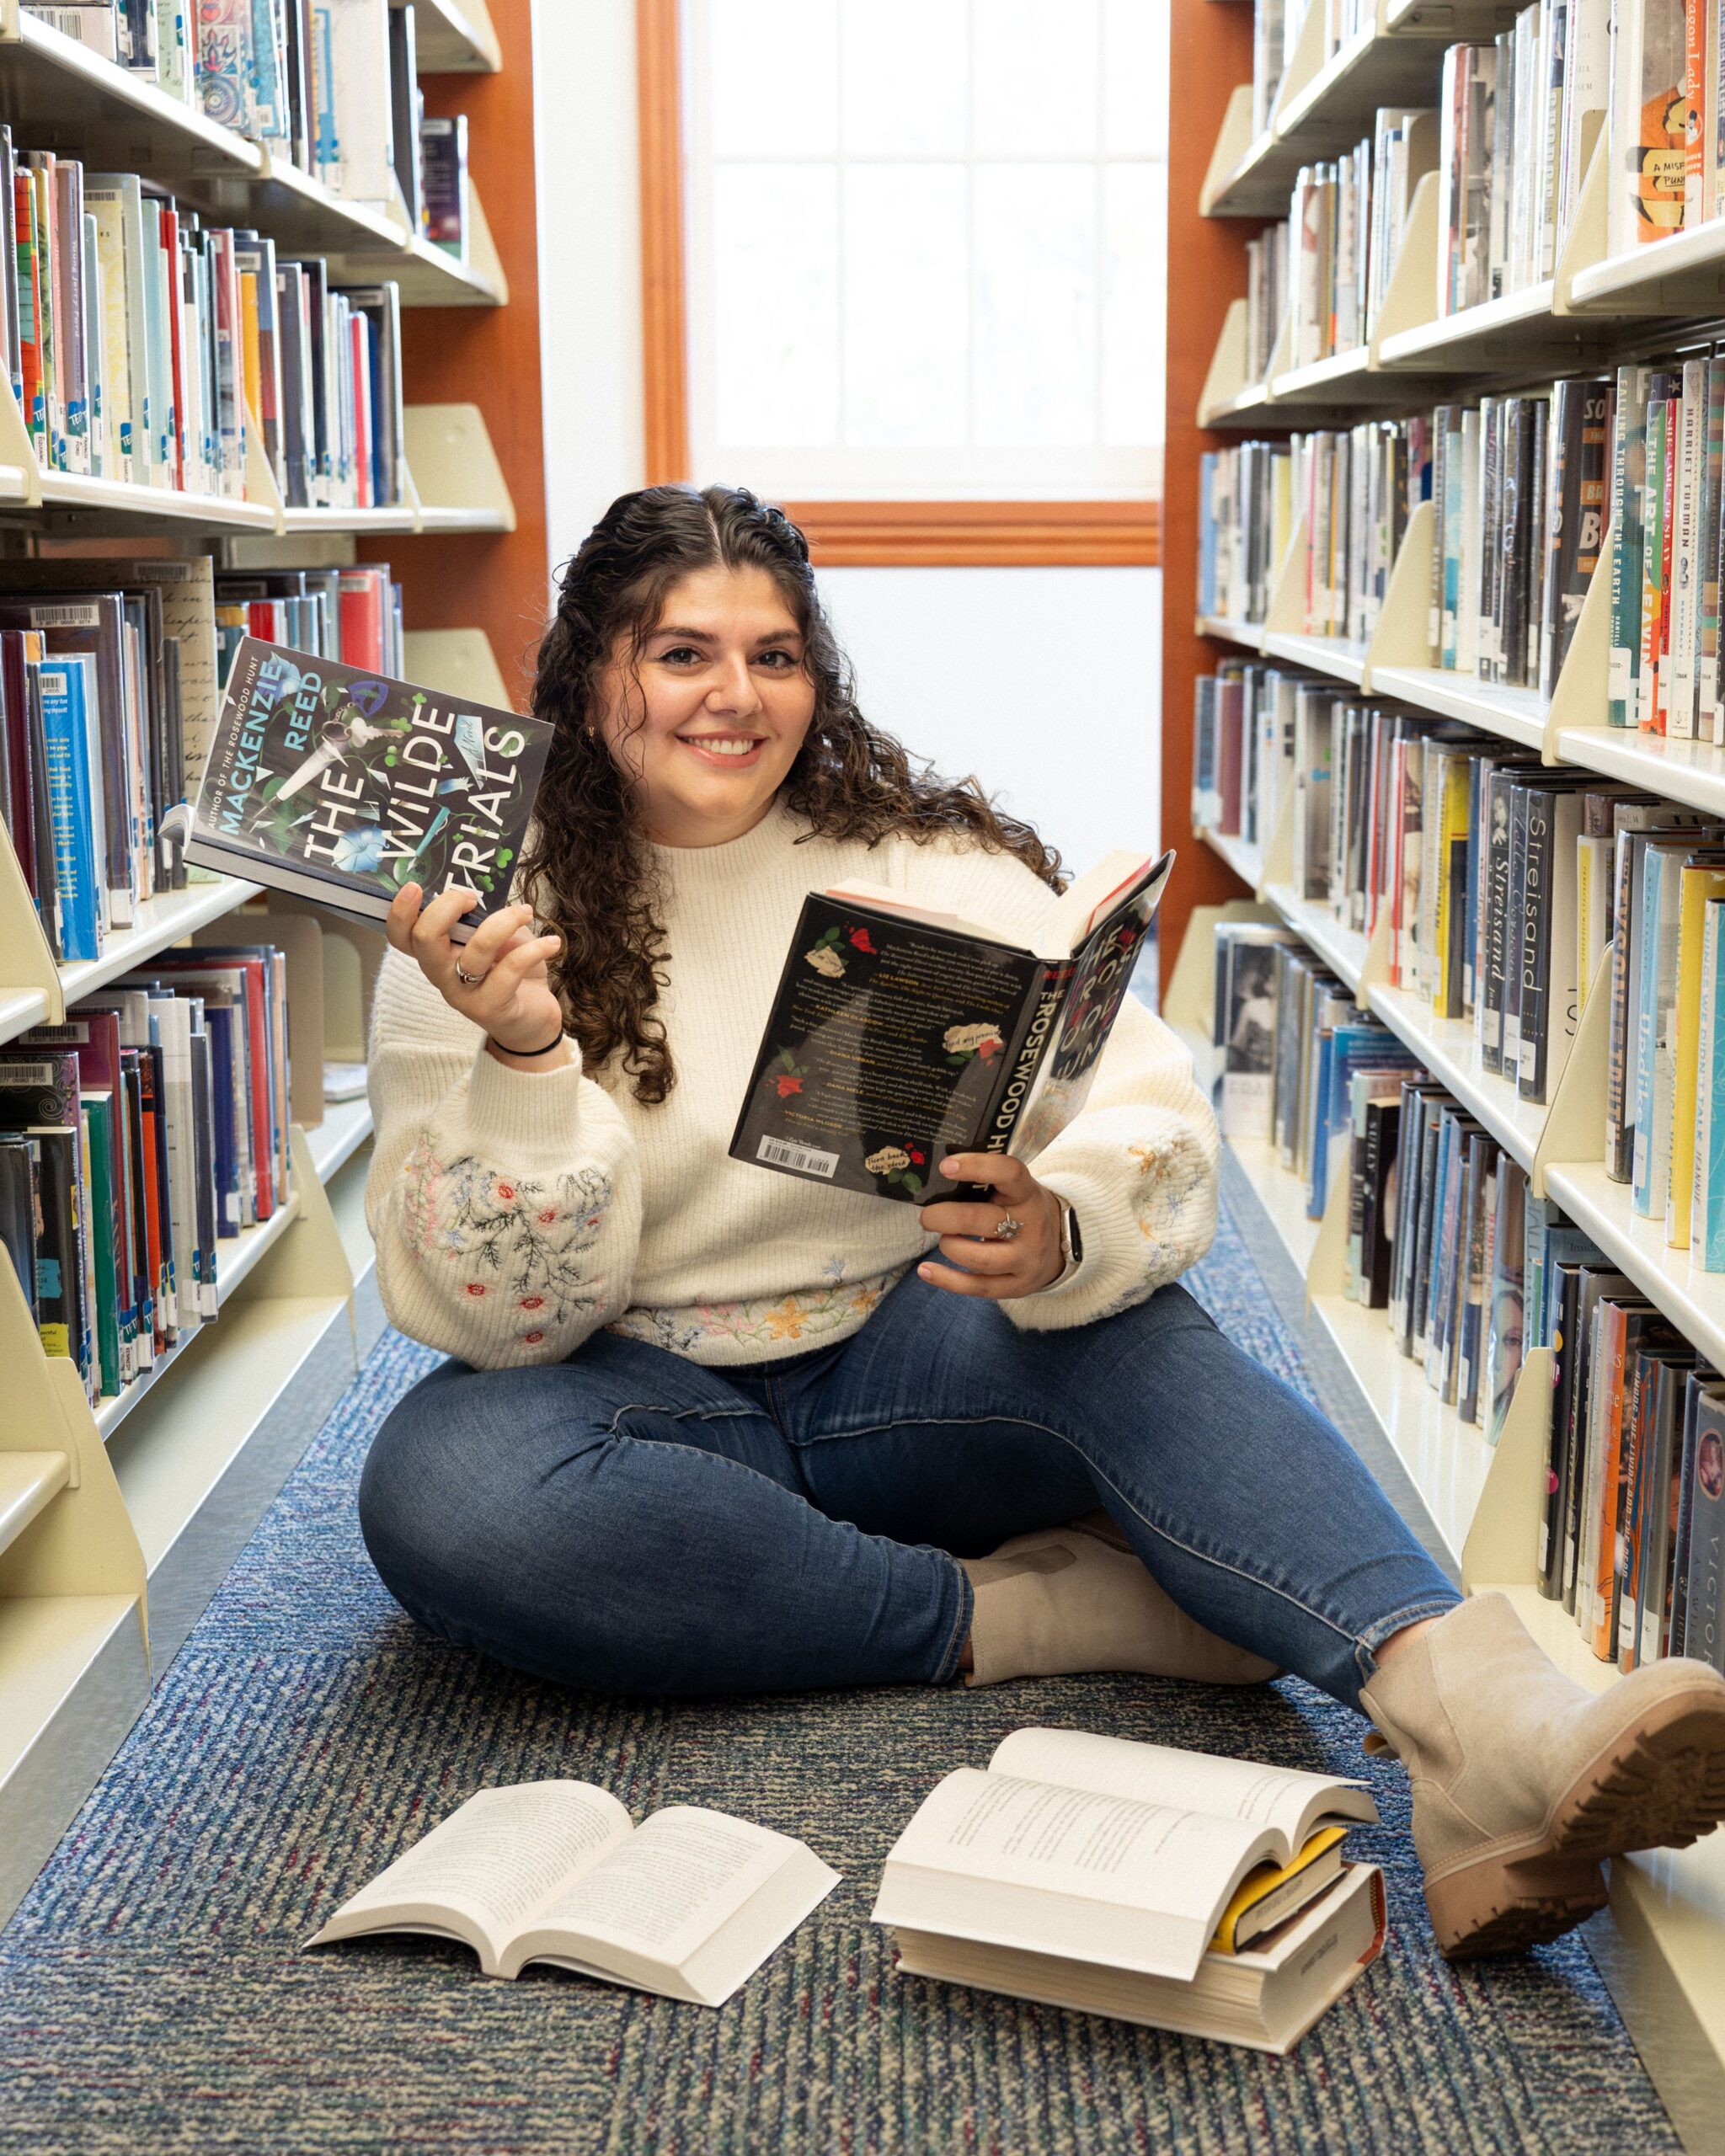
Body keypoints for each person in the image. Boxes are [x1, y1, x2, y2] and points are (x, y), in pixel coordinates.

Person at [359, 484, 1725, 1961]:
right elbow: (510, 1326)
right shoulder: (473, 912)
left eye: (777, 655)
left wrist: (1063, 1229)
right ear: (586, 672)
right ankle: (1044, 1617)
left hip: (905, 1353)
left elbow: (1148, 1110)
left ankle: (1480, 1727)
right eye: (680, 654)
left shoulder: (934, 865)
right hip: (625, 1392)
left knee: (1132, 1330)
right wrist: (518, 1060)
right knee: (446, 1492)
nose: (736, 698)